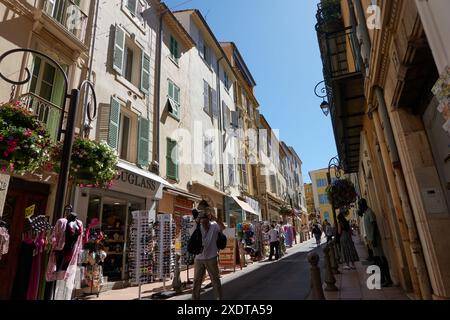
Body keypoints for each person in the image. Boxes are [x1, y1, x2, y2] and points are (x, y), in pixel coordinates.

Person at [192, 201, 224, 300]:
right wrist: (197, 220)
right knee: (197, 281)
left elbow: (223, 227)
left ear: (209, 220)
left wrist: (214, 217)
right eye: (203, 221)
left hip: (211, 258)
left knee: (215, 280)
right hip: (199, 258)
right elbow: (191, 234)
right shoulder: (197, 226)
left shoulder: (214, 225)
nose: (204, 223)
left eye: (206, 221)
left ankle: (218, 298)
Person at [358, 198, 393, 286]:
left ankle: (387, 279)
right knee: (377, 260)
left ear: (363, 205)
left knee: (381, 259)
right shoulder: (365, 213)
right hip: (371, 240)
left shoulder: (370, 213)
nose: (359, 207)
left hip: (375, 240)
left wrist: (373, 238)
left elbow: (374, 225)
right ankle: (381, 278)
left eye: (360, 205)